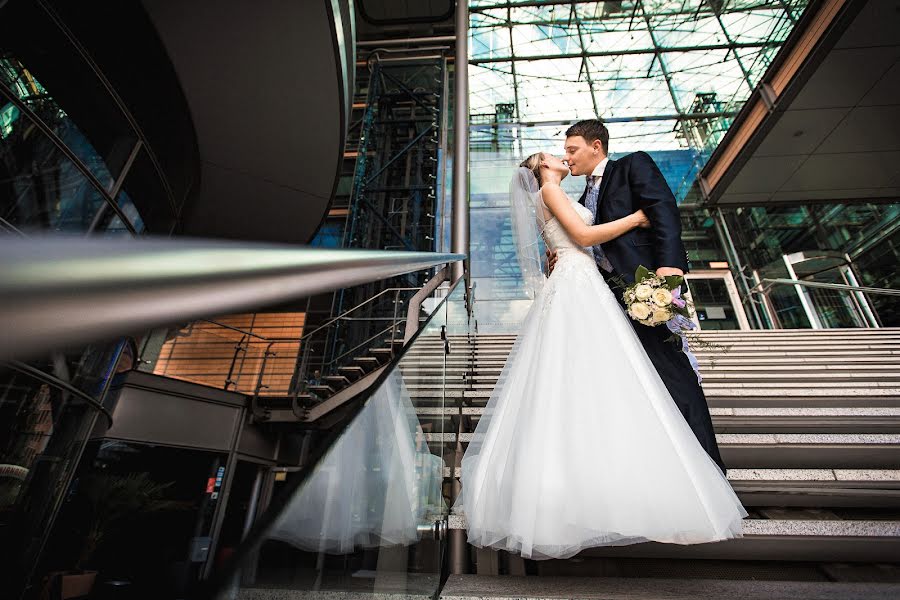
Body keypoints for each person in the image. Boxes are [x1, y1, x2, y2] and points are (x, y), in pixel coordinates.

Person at [452, 149, 747, 560]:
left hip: (582, 277)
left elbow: (571, 239)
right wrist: (637, 219)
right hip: (578, 281)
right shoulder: (551, 191)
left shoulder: (554, 194)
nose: (561, 156)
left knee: (598, 372)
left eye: (568, 149)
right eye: (555, 154)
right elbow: (585, 237)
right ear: (542, 169)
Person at [550, 119, 727, 474]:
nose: (566, 157)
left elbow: (663, 212)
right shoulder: (582, 199)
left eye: (572, 149)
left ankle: (709, 470)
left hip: (647, 286)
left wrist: (669, 272)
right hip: (606, 300)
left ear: (596, 146)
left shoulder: (633, 166)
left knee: (672, 370)